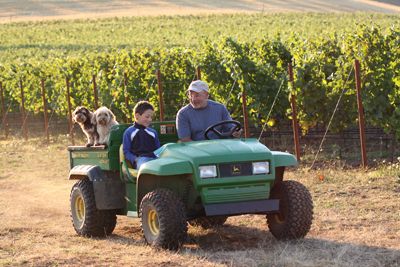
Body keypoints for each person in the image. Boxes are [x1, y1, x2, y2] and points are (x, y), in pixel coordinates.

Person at [176, 80, 241, 142]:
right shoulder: (183, 114)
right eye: (190, 95)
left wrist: (235, 131)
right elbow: (185, 140)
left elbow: (230, 127)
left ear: (206, 95)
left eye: (197, 95)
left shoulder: (220, 108)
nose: (193, 99)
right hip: (196, 150)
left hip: (220, 147)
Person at [123, 101, 161, 169]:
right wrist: (135, 159)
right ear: (137, 116)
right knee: (145, 165)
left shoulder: (153, 132)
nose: (150, 119)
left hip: (154, 159)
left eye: (151, 117)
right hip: (140, 160)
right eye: (147, 117)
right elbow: (126, 152)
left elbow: (158, 149)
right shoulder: (129, 132)